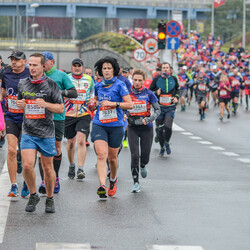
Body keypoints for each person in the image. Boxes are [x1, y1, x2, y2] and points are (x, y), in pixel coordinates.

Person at [17, 52, 64, 213]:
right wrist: (20, 104)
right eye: (30, 64)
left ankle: (50, 198)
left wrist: (45, 104)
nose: (31, 68)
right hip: (28, 131)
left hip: (46, 132)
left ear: (43, 66)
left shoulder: (51, 85)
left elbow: (60, 108)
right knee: (27, 165)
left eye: (35, 65)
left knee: (47, 167)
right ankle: (32, 194)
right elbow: (19, 102)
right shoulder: (22, 83)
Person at [90, 57, 133, 198]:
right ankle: (102, 185)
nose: (107, 71)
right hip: (99, 124)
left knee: (112, 158)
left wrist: (114, 104)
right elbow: (96, 100)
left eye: (109, 68)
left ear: (114, 70)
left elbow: (130, 104)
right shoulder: (97, 85)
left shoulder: (120, 85)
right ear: (100, 71)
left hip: (116, 125)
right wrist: (92, 103)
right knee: (101, 154)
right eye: (104, 68)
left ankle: (113, 180)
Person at [38, 51, 77, 194]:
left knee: (56, 149)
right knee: (41, 150)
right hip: (40, 118)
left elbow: (74, 93)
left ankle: (56, 177)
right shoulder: (37, 76)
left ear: (52, 62)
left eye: (45, 61)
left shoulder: (61, 75)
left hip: (57, 118)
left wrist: (59, 92)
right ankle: (44, 180)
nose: (42, 64)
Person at [1, 50, 30, 198]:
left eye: (17, 59)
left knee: (26, 154)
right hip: (11, 117)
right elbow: (4, 90)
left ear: (24, 61)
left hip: (28, 119)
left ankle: (26, 181)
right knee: (12, 150)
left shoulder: (30, 74)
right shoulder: (6, 73)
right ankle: (14, 185)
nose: (13, 62)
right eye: (12, 59)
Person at [127, 69, 160, 193]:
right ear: (132, 79)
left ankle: (143, 164)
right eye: (135, 80)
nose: (137, 82)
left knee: (145, 155)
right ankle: (136, 182)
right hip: (132, 127)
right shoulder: (127, 93)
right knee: (134, 155)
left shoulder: (149, 93)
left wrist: (150, 119)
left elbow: (158, 110)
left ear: (144, 81)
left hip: (146, 127)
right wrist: (125, 115)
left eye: (140, 80)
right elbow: (123, 107)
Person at [65, 58, 94, 180]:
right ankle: (72, 165)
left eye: (79, 66)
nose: (77, 68)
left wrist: (92, 102)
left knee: (81, 140)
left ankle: (80, 168)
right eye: (75, 66)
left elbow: (92, 94)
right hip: (68, 114)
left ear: (82, 67)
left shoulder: (89, 79)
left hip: (84, 113)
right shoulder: (66, 78)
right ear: (72, 67)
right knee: (71, 142)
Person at [149, 62, 179, 157]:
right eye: (164, 67)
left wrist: (176, 97)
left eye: (167, 67)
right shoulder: (157, 79)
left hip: (170, 107)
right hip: (159, 108)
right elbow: (149, 91)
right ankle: (162, 147)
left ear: (170, 69)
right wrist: (155, 92)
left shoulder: (173, 79)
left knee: (168, 127)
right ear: (161, 69)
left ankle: (167, 142)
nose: (165, 69)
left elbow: (178, 89)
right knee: (159, 130)